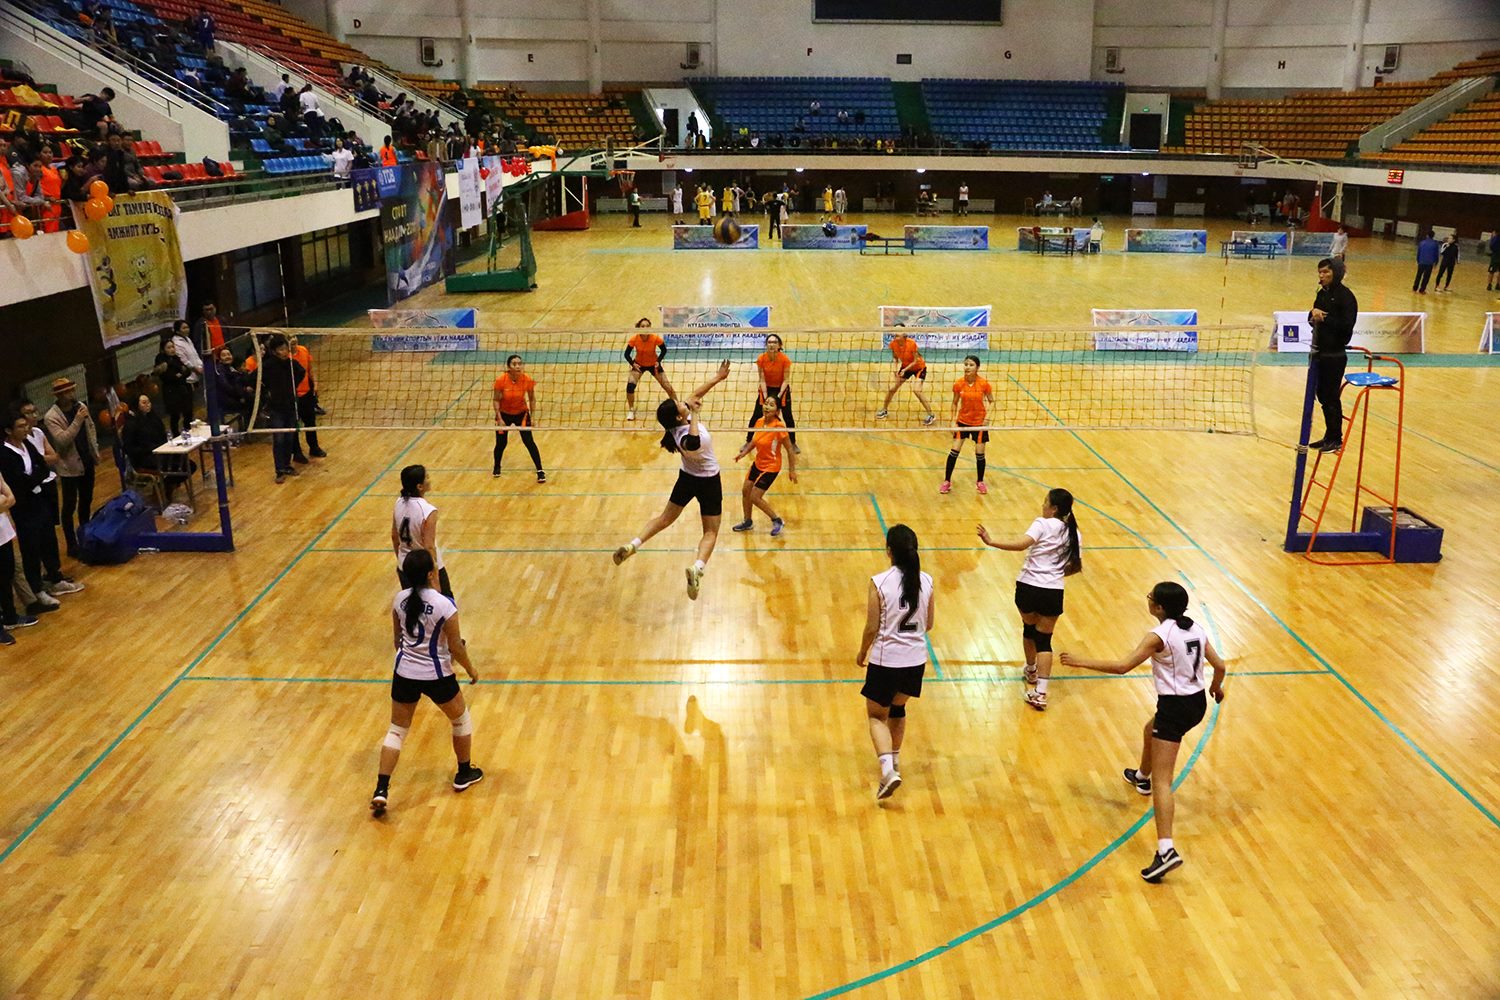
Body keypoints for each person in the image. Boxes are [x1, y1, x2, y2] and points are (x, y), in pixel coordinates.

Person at [1061, 581, 1226, 883]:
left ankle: (1166, 850)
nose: (1147, 600)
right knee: (1150, 729)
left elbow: (1122, 667)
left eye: (1150, 597)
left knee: (1164, 781)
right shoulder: (1195, 628)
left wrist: (1080, 661)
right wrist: (1216, 688)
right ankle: (1141, 777)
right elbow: (1220, 665)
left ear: (1159, 607)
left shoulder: (1158, 636)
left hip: (1174, 708)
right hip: (1197, 703)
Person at [373, 548, 482, 816]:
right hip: (437, 675)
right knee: (460, 720)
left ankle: (381, 789)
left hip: (404, 673)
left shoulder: (399, 600)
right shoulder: (444, 605)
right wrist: (471, 669)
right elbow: (455, 646)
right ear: (431, 574)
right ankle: (464, 772)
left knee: (397, 731)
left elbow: (397, 640)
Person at [612, 360, 731, 601]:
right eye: (680, 405)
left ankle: (634, 544)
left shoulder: (675, 426)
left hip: (687, 479)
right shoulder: (687, 436)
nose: (684, 402)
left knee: (665, 518)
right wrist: (695, 414)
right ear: (679, 416)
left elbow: (696, 394)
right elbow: (694, 442)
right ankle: (698, 567)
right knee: (711, 531)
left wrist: (718, 377)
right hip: (708, 482)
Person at [977, 487, 1082, 711]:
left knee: (1029, 629)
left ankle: (1031, 669)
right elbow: (1075, 566)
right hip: (1053, 591)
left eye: (1045, 502)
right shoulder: (1074, 533)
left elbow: (1022, 544)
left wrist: (991, 541)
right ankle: (1041, 693)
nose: (1042, 505)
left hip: (1028, 587)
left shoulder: (1042, 523)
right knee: (1044, 640)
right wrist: (1054, 575)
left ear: (1054, 508)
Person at [855, 523, 934, 800]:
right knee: (898, 709)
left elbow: (871, 627)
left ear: (889, 551)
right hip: (915, 661)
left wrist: (862, 652)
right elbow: (929, 623)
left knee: (877, 716)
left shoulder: (879, 582)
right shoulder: (927, 581)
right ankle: (895, 760)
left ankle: (888, 771)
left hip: (886, 661)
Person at [1, 407, 82, 601]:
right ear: (9, 430)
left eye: (26, 425)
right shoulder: (4, 454)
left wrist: (34, 476)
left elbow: (43, 466)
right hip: (23, 506)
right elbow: (19, 483)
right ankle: (37, 589)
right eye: (20, 426)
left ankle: (55, 577)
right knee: (31, 547)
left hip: (39, 499)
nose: (26, 429)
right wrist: (35, 477)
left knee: (49, 539)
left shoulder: (27, 444)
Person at [42, 378, 98, 560]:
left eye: (73, 390)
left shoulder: (80, 406)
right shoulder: (51, 416)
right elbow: (62, 440)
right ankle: (71, 544)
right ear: (59, 395)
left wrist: (95, 450)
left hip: (86, 461)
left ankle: (85, 535)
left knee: (86, 500)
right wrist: (77, 420)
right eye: (68, 392)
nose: (72, 394)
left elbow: (90, 428)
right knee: (69, 506)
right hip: (69, 467)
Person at [1307, 257, 1358, 453]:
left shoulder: (1346, 297)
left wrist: (1324, 318)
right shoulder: (1322, 294)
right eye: (1320, 272)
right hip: (1319, 352)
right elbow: (1313, 316)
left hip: (1335, 355)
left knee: (1331, 396)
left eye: (1326, 272)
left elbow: (1346, 325)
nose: (1322, 276)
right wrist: (1313, 316)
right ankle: (1329, 435)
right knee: (1322, 395)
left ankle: (1336, 439)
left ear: (1335, 273)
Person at [731, 393, 797, 535]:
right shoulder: (759, 422)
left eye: (771, 405)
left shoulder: (779, 427)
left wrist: (792, 470)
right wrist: (744, 453)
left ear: (777, 411)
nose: (767, 407)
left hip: (771, 466)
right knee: (746, 491)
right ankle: (748, 521)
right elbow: (754, 441)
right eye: (766, 403)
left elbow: (790, 449)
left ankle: (777, 520)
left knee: (755, 496)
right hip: (758, 463)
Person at [392, 464, 452, 598]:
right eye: (427, 477)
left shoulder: (398, 503)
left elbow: (394, 537)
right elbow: (429, 546)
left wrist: (401, 560)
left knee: (413, 606)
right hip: (425, 568)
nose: (429, 480)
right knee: (445, 605)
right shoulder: (428, 510)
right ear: (419, 486)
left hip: (405, 566)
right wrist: (435, 578)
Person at [942, 355, 993, 495]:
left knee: (980, 454)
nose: (967, 367)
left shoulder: (984, 384)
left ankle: (980, 482)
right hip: (963, 421)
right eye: (966, 364)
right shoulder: (959, 384)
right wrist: (952, 421)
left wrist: (987, 417)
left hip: (979, 423)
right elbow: (954, 403)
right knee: (954, 451)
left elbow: (992, 401)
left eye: (971, 365)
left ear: (977, 368)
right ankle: (947, 481)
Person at [258, 334, 304, 483]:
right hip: (276, 408)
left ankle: (287, 465)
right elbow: (254, 378)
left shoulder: (291, 364)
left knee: (289, 437)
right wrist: (267, 391)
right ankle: (279, 470)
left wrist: (292, 386)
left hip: (290, 406)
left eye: (285, 349)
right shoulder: (268, 366)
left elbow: (302, 372)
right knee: (279, 439)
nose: (285, 352)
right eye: (281, 349)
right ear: (274, 351)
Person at [491, 354, 544, 482]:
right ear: (509, 367)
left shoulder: (527, 379)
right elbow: (496, 400)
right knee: (501, 443)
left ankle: (540, 470)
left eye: (520, 363)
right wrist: (499, 419)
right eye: (514, 364)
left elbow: (532, 399)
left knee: (529, 442)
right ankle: (497, 466)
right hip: (504, 414)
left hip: (522, 414)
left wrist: (533, 417)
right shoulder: (501, 380)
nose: (518, 366)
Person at [746, 333, 797, 451]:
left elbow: (786, 380)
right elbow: (762, 379)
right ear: (766, 345)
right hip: (766, 388)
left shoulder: (785, 360)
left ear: (779, 345)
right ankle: (748, 441)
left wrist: (778, 396)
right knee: (756, 415)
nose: (772, 345)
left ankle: (793, 443)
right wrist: (765, 396)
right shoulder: (761, 359)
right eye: (769, 342)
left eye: (774, 342)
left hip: (781, 389)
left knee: (788, 416)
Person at [0, 474, 35, 644]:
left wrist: (4, 500)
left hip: (3, 532)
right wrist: (3, 500)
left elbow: (10, 497)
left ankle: (10, 616)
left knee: (6, 574)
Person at [876, 328, 937, 424]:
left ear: (904, 335)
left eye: (898, 332)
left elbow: (915, 360)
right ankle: (884, 410)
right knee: (892, 388)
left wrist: (904, 370)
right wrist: (894, 369)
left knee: (917, 390)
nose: (895, 334)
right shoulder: (893, 344)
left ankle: (931, 415)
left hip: (919, 368)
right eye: (895, 332)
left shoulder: (911, 343)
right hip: (905, 367)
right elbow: (895, 358)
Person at [624, 317, 675, 420]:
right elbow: (626, 354)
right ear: (639, 328)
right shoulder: (634, 339)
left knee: (668, 387)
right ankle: (631, 410)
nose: (645, 328)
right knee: (630, 387)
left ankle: (677, 405)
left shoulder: (655, 338)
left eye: (647, 326)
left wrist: (658, 361)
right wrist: (633, 364)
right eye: (643, 326)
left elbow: (664, 350)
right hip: (639, 365)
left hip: (653, 365)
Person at [286, 334, 325, 461]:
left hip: (307, 393)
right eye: (290, 339)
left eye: (294, 337)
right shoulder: (285, 357)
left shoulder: (303, 350)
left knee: (310, 422)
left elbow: (310, 369)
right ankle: (297, 453)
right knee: (294, 425)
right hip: (293, 396)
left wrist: (315, 384)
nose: (293, 340)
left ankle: (314, 447)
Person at [153, 335, 195, 436]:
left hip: (183, 389)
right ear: (163, 349)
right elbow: (166, 376)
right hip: (171, 391)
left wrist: (180, 374)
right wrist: (177, 375)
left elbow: (186, 371)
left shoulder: (176, 358)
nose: (172, 349)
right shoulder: (161, 360)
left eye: (172, 347)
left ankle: (188, 430)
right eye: (169, 347)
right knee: (175, 415)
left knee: (188, 412)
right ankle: (176, 434)